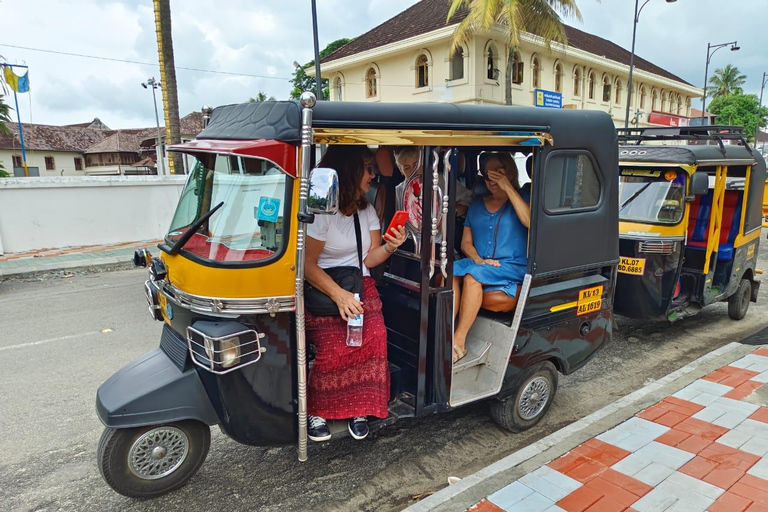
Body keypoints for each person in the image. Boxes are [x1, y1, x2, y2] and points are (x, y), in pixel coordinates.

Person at [304, 146, 408, 442]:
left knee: (374, 339)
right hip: (325, 288)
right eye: (367, 167)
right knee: (334, 349)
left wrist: (390, 246)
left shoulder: (367, 210)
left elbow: (369, 259)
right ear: (348, 171)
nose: (373, 175)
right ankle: (318, 411)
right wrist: (339, 296)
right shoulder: (322, 212)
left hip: (360, 285)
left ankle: (359, 408)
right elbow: (308, 266)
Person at [452, 153, 531, 363]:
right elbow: (465, 243)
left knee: (472, 277)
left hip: (511, 265)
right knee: (448, 270)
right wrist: (478, 260)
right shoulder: (477, 204)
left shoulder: (523, 198)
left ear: (510, 172)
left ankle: (459, 341)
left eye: (499, 173)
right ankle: (445, 331)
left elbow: (530, 221)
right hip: (481, 263)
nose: (492, 180)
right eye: (488, 175)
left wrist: (508, 187)